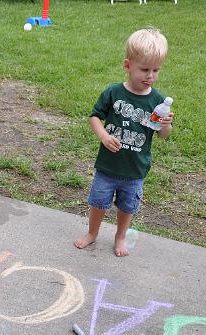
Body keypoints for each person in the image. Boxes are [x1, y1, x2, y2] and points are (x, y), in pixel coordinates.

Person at [74, 28, 174, 257]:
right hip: (107, 166)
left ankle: (120, 237)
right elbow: (94, 116)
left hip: (135, 168)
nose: (150, 75)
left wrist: (166, 123)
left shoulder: (158, 102)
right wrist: (104, 136)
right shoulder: (114, 93)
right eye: (144, 69)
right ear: (128, 65)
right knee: (98, 202)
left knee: (127, 206)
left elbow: (163, 135)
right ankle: (92, 233)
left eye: (156, 70)